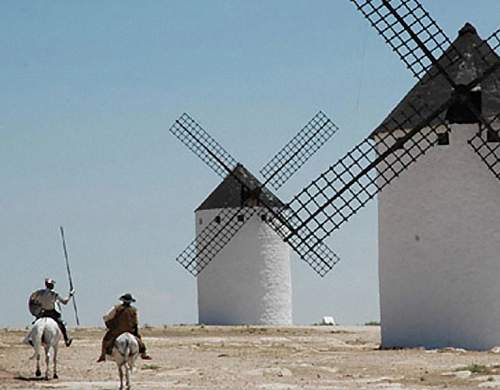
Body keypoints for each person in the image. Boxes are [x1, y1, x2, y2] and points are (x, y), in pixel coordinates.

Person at [97, 293, 151, 362]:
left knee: (106, 340)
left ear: (123, 300)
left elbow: (107, 317)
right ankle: (143, 353)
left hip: (117, 331)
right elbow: (135, 322)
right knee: (139, 340)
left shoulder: (116, 308)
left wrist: (108, 323)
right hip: (130, 330)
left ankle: (103, 355)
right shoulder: (134, 310)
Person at [29, 278, 75, 347]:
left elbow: (34, 299)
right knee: (61, 324)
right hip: (52, 312)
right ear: (51, 285)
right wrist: (70, 295)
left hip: (43, 312)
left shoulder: (41, 293)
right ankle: (66, 340)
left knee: (35, 323)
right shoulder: (54, 294)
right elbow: (65, 302)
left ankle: (31, 338)